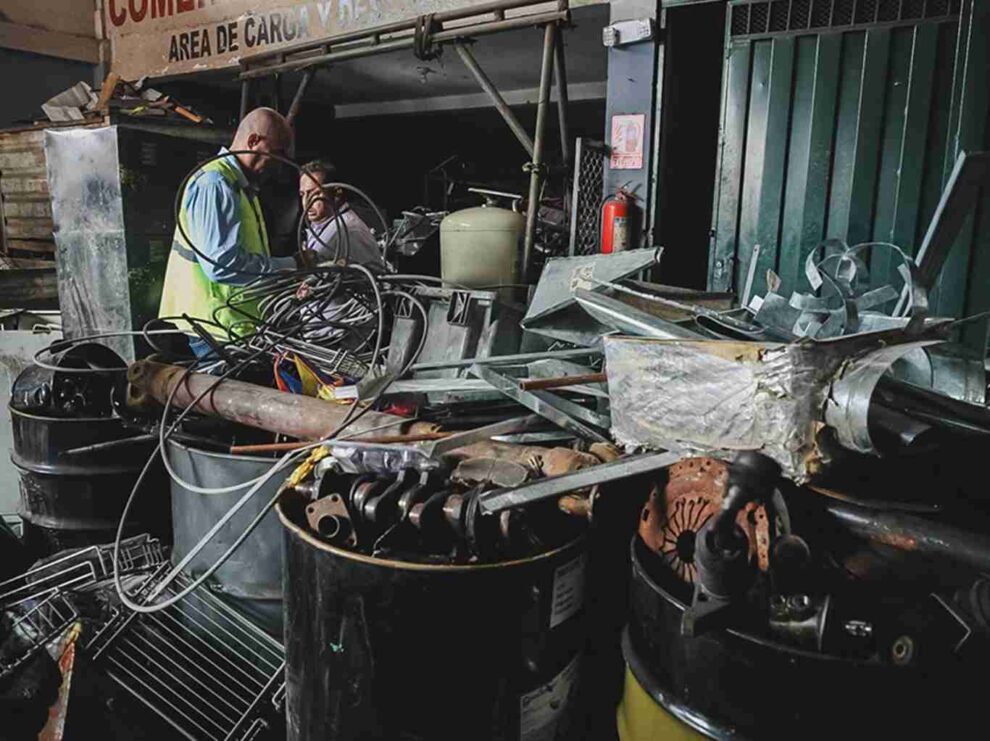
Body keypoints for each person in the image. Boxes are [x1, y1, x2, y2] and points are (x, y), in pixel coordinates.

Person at [158, 107, 307, 356]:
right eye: (277, 153)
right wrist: (290, 266)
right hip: (214, 325)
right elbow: (221, 264)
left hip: (230, 323)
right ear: (253, 141)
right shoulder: (216, 184)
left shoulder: (239, 185)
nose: (279, 163)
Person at [298, 160, 384, 268]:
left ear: (337, 193)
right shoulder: (319, 225)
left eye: (314, 193)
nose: (306, 202)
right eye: (302, 194)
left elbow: (369, 278)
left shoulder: (350, 232)